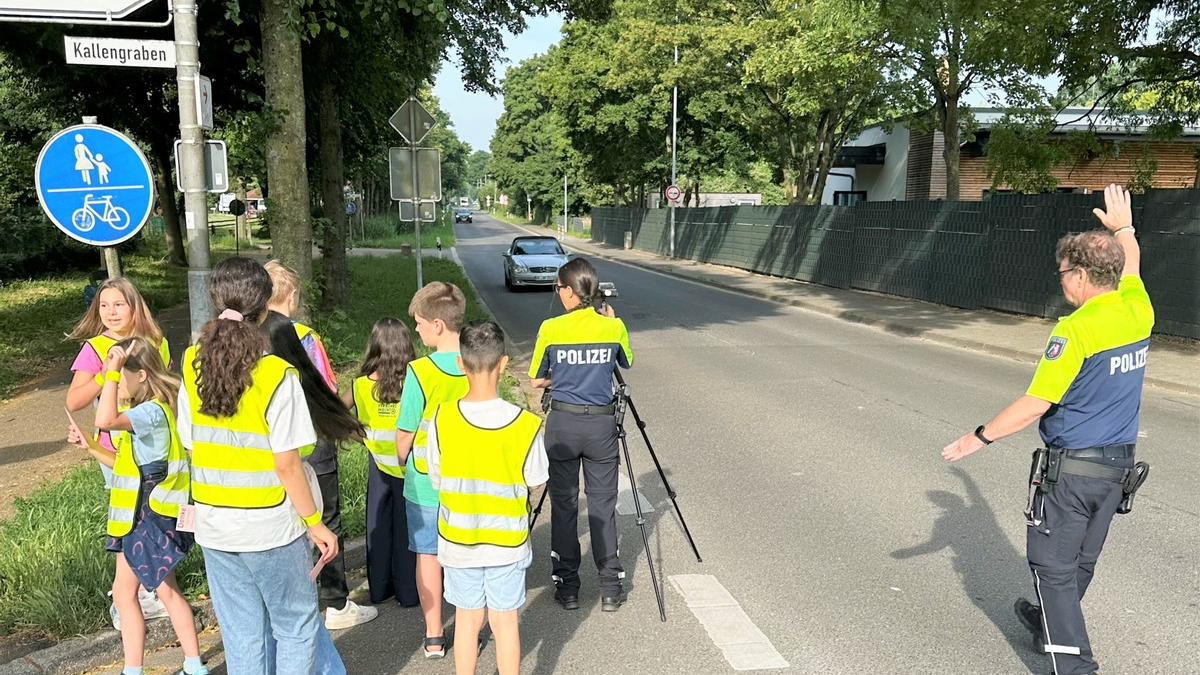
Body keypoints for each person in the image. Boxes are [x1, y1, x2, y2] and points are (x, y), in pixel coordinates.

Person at [941, 184, 1153, 675]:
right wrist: (1124, 229)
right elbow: (1135, 266)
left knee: (1053, 569)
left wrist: (978, 437)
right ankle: (1046, 622)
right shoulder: (1137, 308)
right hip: (1117, 469)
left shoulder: (1076, 330)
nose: (1061, 283)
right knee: (1079, 560)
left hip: (1072, 473)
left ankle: (1075, 667)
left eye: (1062, 274)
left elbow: (1037, 402)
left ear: (1080, 275)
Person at [177, 257, 340, 675]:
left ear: (214, 300)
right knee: (296, 626)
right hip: (271, 526)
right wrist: (316, 524)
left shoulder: (192, 362)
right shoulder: (275, 375)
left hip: (215, 524)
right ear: (265, 307)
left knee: (242, 634)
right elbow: (287, 463)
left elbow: (190, 444)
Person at [67, 337, 205, 675]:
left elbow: (104, 420)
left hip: (144, 518)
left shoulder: (150, 412)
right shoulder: (150, 411)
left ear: (141, 375)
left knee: (126, 593)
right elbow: (126, 465)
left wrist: (108, 373)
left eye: (122, 374)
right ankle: (191, 664)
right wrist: (90, 448)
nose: (116, 381)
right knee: (162, 591)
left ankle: (136, 669)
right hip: (148, 516)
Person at [426, 321, 548, 675]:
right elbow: (537, 479)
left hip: (458, 540)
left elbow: (436, 475)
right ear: (504, 363)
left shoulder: (442, 418)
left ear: (461, 364)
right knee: (505, 621)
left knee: (467, 621)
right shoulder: (524, 424)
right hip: (507, 541)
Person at [263, 260, 377, 630]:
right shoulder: (305, 337)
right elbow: (326, 390)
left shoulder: (247, 334)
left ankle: (290, 601)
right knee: (325, 517)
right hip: (311, 438)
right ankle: (336, 603)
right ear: (292, 296)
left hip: (267, 443)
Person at [65, 276, 173, 624]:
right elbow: (74, 400)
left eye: (119, 305)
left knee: (155, 516)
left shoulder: (156, 341)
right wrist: (107, 371)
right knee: (126, 522)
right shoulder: (94, 347)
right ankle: (124, 598)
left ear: (134, 306)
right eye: (104, 306)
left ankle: (152, 588)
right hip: (115, 450)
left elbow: (165, 389)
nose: (111, 312)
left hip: (153, 447)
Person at [529, 257, 633, 613]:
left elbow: (536, 379)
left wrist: (567, 376)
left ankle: (568, 587)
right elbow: (626, 362)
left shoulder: (550, 328)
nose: (557, 294)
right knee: (603, 505)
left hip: (562, 425)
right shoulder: (612, 328)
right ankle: (609, 588)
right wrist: (612, 324)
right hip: (601, 427)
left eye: (558, 288)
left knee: (564, 504)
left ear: (571, 293)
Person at [398, 281, 469, 659]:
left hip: (425, 482)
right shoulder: (477, 363)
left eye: (420, 323)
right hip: (469, 481)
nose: (417, 330)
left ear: (438, 325)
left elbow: (405, 432)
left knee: (428, 554)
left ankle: (434, 635)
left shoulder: (419, 371)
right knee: (466, 552)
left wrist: (401, 459)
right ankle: (471, 621)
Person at [344, 318, 420, 608]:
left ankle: (379, 588)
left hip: (378, 462)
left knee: (378, 523)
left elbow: (338, 414)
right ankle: (409, 591)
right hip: (408, 462)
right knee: (407, 528)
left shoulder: (361, 385)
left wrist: (361, 436)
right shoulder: (414, 381)